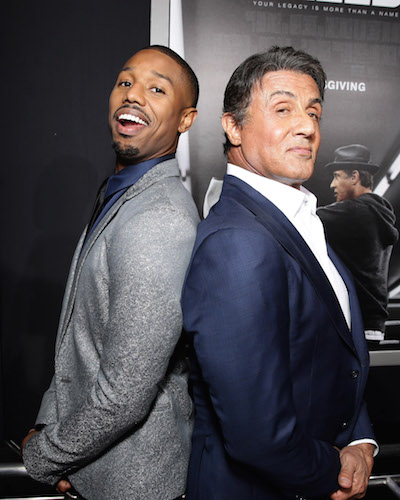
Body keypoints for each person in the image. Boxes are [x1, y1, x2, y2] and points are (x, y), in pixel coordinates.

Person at [181, 46, 377, 500]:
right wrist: (338, 469)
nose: (307, 126)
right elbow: (257, 435)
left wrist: (362, 442)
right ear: (233, 126)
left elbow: (338, 358)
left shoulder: (298, 215)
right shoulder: (237, 242)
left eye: (314, 112)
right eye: (283, 108)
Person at [21, 45, 200, 500]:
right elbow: (75, 339)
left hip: (131, 484)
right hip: (89, 469)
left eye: (157, 89)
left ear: (185, 119)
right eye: (125, 82)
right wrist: (48, 423)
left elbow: (125, 395)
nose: (133, 95)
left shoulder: (159, 219)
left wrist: (44, 455)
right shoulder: (121, 193)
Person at [317, 144, 398, 343]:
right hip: (374, 325)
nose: (332, 185)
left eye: (337, 176)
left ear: (354, 176)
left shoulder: (353, 212)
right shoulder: (379, 213)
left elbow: (301, 218)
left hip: (354, 322)